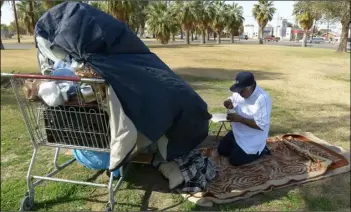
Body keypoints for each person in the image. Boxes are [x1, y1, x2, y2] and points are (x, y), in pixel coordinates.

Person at [218, 71, 272, 166]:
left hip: (253, 137)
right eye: (238, 91)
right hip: (238, 132)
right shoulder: (240, 93)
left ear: (250, 87)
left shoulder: (262, 98)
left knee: (235, 160)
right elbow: (233, 98)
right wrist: (228, 102)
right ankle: (239, 148)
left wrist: (240, 119)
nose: (239, 93)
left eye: (241, 91)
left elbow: (261, 125)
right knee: (221, 150)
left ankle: (261, 150)